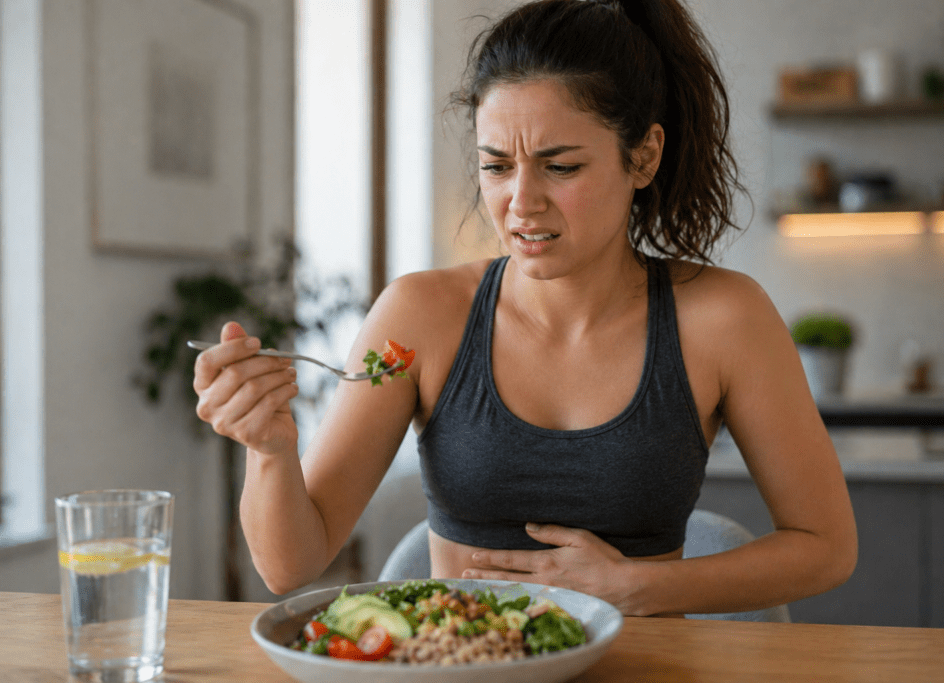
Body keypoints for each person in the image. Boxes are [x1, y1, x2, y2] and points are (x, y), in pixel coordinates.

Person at [193, 0, 857, 616]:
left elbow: (826, 546)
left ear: (644, 156)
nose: (521, 202)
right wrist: (270, 449)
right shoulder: (419, 315)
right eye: (496, 167)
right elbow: (289, 564)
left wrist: (637, 586)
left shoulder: (724, 318)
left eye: (560, 167)